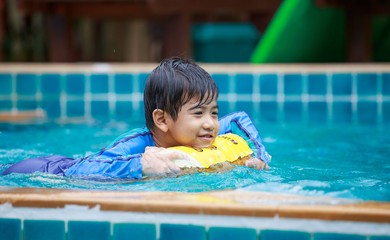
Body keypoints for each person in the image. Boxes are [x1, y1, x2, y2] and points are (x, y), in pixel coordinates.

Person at [2, 57, 271, 179]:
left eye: (214, 111)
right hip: (47, 168)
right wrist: (140, 166)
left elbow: (239, 118)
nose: (211, 123)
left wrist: (255, 156)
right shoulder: (137, 146)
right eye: (199, 113)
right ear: (162, 120)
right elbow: (78, 171)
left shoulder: (204, 132)